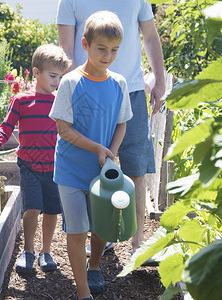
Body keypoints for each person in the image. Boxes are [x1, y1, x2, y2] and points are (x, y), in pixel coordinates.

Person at [56, 0, 166, 256]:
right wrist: (79, 93)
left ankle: (138, 243)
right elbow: (67, 50)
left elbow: (150, 36)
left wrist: (159, 79)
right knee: (93, 161)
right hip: (89, 93)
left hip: (133, 88)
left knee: (136, 165)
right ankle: (98, 232)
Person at [49, 11, 132, 300]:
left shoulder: (119, 84)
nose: (108, 56)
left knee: (101, 226)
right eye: (101, 49)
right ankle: (83, 291)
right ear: (84, 44)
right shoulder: (70, 82)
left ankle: (94, 264)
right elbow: (63, 129)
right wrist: (98, 148)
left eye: (114, 50)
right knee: (77, 229)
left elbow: (122, 122)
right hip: (71, 169)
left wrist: (112, 153)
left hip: (103, 171)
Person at [0, 44, 71, 274]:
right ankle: (28, 251)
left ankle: (46, 252)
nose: (57, 81)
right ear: (36, 72)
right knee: (32, 207)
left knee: (52, 210)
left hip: (54, 167)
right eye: (52, 75)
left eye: (60, 77)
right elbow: (6, 126)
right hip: (29, 165)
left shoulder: (59, 101)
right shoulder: (22, 101)